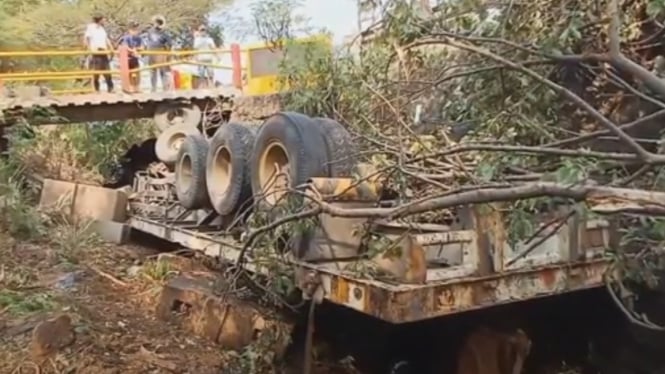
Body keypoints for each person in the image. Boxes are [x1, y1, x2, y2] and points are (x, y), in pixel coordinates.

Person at [83, 15, 114, 93]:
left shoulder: (102, 29)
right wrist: (89, 50)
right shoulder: (91, 27)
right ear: (99, 20)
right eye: (103, 19)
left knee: (107, 70)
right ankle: (97, 89)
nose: (105, 21)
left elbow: (106, 39)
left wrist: (111, 48)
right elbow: (87, 39)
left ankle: (110, 88)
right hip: (95, 51)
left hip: (103, 51)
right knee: (96, 71)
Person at [144, 15, 173, 92]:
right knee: (153, 72)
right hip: (151, 53)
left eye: (159, 23)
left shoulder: (164, 34)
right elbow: (148, 42)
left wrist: (167, 54)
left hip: (161, 53)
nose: (157, 24)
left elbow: (170, 44)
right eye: (156, 22)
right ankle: (153, 89)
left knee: (162, 72)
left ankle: (165, 89)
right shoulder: (150, 31)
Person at [117, 21, 145, 92]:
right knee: (128, 74)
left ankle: (137, 88)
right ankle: (129, 88)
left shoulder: (139, 38)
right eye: (133, 29)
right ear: (130, 30)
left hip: (135, 58)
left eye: (136, 29)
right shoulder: (126, 37)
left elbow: (142, 47)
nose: (135, 31)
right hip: (127, 59)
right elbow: (125, 46)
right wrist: (132, 51)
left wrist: (137, 49)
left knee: (137, 72)